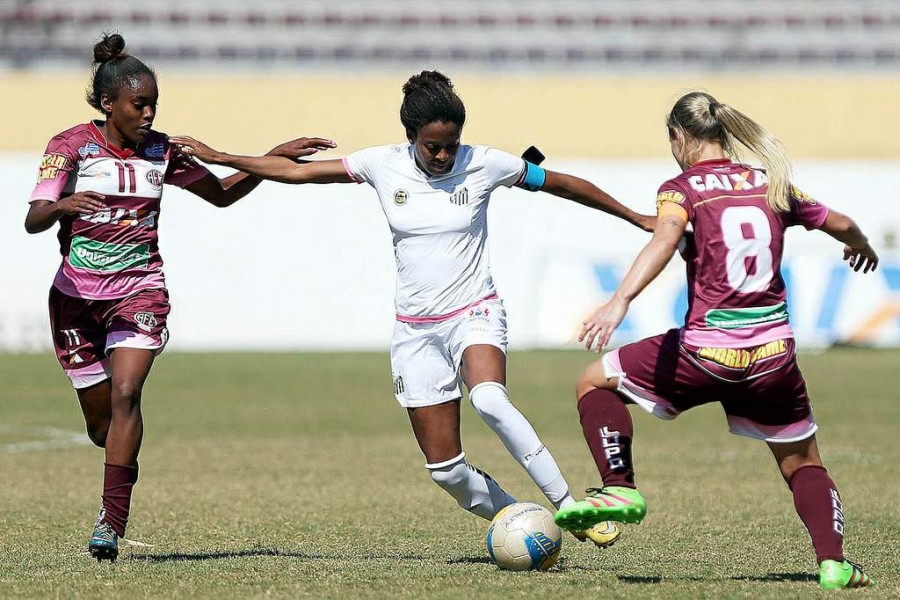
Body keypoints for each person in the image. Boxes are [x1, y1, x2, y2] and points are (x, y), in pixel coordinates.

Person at [171, 70, 654, 548]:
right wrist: (219, 156)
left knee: (489, 399)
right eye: (432, 147)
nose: (444, 156)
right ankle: (518, 520)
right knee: (447, 471)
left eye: (451, 145)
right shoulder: (381, 164)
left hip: (474, 310)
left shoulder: (486, 164)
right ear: (410, 138)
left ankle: (570, 507)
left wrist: (635, 217)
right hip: (415, 331)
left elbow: (563, 184)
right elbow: (296, 173)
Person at [24, 33, 332, 562]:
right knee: (103, 427)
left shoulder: (162, 151)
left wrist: (270, 158)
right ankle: (120, 463)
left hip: (141, 289)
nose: (148, 114)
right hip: (75, 298)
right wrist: (62, 205)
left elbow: (221, 194)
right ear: (108, 104)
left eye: (153, 105)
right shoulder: (69, 146)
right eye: (138, 104)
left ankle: (110, 522)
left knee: (127, 395)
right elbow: (33, 219)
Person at [553, 91, 877, 589]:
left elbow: (664, 239)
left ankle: (619, 490)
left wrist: (619, 300)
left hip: (706, 352)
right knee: (802, 463)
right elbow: (843, 223)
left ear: (678, 137)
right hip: (774, 356)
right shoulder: (772, 183)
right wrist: (860, 245)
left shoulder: (681, 189)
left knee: (596, 382)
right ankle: (833, 563)